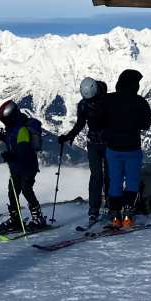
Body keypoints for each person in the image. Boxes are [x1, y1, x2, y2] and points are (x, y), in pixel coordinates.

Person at [102, 69, 151, 228]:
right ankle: (128, 213)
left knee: (115, 182)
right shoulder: (140, 102)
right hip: (132, 148)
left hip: (113, 148)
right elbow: (146, 125)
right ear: (134, 85)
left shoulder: (108, 99)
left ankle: (115, 214)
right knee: (132, 182)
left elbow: (98, 121)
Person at [58, 77, 110, 225]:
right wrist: (69, 136)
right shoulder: (85, 104)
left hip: (102, 143)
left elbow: (81, 124)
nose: (90, 101)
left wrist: (70, 135)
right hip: (100, 143)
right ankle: (99, 208)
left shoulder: (103, 102)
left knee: (104, 176)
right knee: (100, 176)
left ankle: (103, 207)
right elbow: (81, 123)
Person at [0, 99, 46, 234]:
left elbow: (23, 150)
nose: (4, 122)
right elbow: (13, 141)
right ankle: (16, 218)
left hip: (27, 166)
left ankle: (37, 218)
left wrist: (11, 156)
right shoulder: (13, 128)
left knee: (26, 189)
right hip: (16, 166)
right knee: (13, 192)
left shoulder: (22, 129)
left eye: (5, 119)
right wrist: (3, 138)